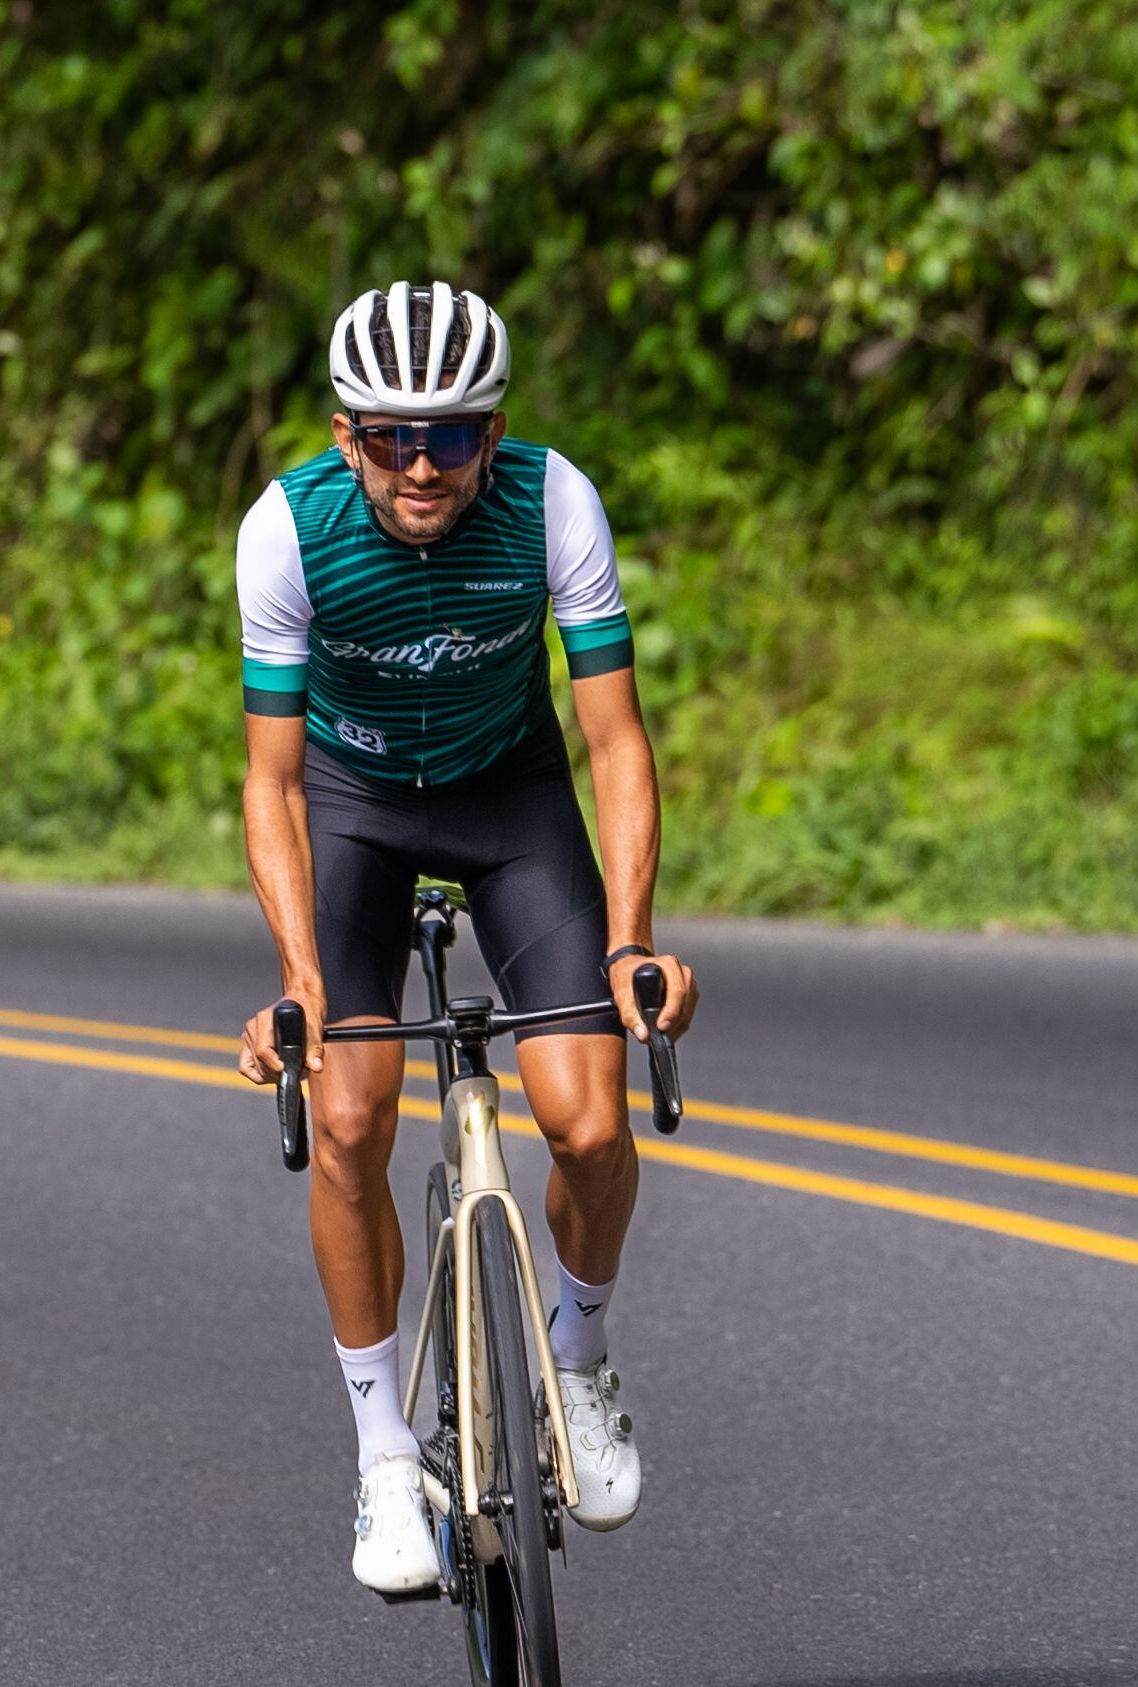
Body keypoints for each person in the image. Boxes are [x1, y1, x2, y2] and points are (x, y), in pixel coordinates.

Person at [234, 282, 700, 1596]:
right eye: (389, 437)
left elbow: (612, 736)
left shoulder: (552, 504)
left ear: (493, 432)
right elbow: (268, 783)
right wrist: (303, 982)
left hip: (509, 796)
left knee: (591, 1122)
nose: (421, 464)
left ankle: (577, 1356)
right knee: (348, 1115)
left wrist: (630, 942)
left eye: (449, 434)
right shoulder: (285, 533)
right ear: (344, 436)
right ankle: (384, 1452)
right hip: (352, 809)